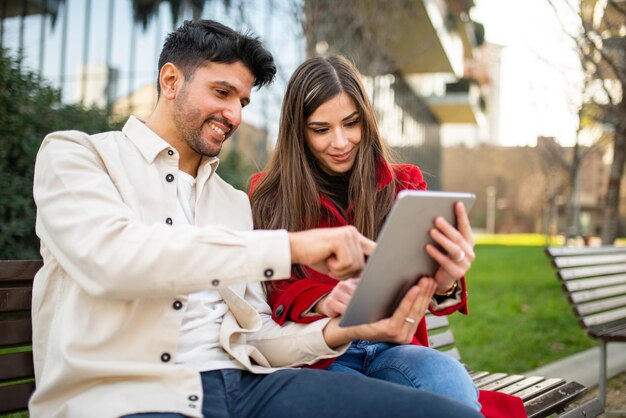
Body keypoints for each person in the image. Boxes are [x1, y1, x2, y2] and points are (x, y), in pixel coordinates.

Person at [29, 20, 484, 418]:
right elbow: (116, 260)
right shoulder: (77, 156)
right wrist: (293, 249)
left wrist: (340, 331)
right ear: (170, 80)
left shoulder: (229, 203)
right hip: (129, 395)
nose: (234, 114)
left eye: (243, 101)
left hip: (248, 386)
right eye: (222, 93)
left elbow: (257, 333)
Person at [249, 55, 526, 418]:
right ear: (298, 131)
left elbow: (423, 274)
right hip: (318, 353)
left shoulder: (403, 184)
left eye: (352, 123)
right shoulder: (268, 195)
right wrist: (325, 301)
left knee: (450, 384)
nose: (341, 142)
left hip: (393, 345)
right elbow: (270, 289)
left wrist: (445, 280)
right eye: (321, 129)